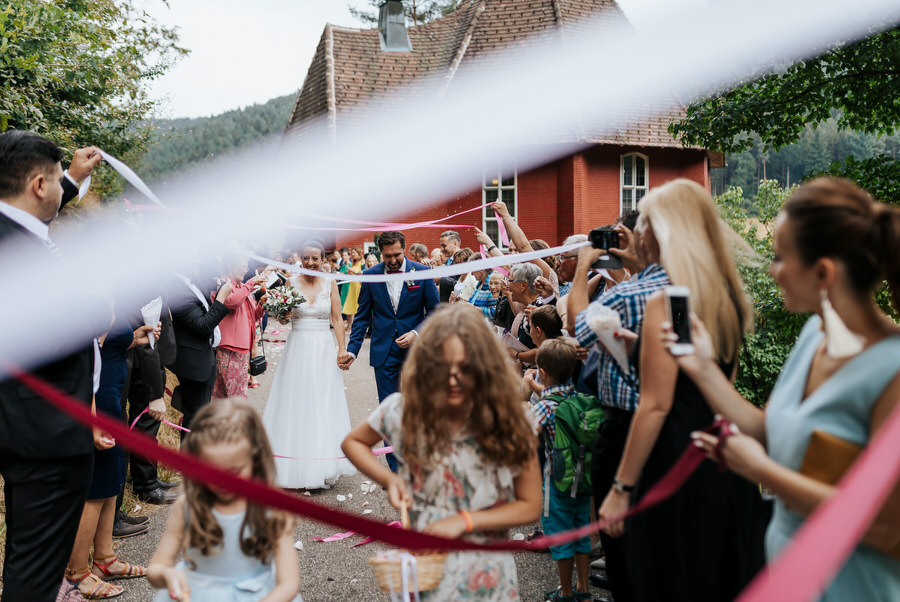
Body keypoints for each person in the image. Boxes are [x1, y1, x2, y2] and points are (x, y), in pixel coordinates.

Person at [680, 177, 900, 600]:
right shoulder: (815, 334)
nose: (771, 269)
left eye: (781, 257)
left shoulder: (891, 371)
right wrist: (704, 370)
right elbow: (774, 429)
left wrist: (760, 471)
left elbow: (888, 527)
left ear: (823, 272)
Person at [596, 179, 765, 602]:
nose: (639, 234)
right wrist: (641, 349)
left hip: (671, 458)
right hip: (719, 453)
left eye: (647, 223)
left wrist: (620, 489)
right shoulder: (726, 295)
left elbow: (655, 405)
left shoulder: (663, 302)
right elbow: (712, 382)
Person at [342, 305, 542, 600]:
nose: (452, 378)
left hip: (484, 573)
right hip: (426, 568)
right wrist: (390, 480)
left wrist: (466, 520)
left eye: (464, 368)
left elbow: (530, 504)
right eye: (441, 366)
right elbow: (353, 443)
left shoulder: (509, 421)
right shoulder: (402, 411)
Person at [0, 130, 106, 601]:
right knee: (35, 568)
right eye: (55, 182)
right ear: (38, 185)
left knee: (34, 558)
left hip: (35, 427)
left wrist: (71, 177)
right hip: (42, 432)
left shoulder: (15, 232)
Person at [566, 212, 662, 602]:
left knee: (620, 533)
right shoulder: (692, 286)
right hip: (671, 426)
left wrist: (584, 264)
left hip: (624, 426)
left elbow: (576, 323)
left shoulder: (628, 294)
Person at [148, 400, 301, 601]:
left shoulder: (269, 509)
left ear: (255, 462)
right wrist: (167, 575)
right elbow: (156, 569)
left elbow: (289, 583)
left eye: (234, 472)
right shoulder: (188, 506)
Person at [65, 313, 157, 599]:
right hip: (98, 398)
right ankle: (77, 572)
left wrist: (132, 339)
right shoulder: (92, 295)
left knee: (112, 478)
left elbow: (106, 344)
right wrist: (92, 420)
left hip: (113, 393)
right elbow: (87, 356)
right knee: (97, 484)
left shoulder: (113, 294)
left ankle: (104, 557)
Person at [340, 230, 440, 471]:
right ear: (380, 253)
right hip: (384, 353)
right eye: (387, 256)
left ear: (404, 248)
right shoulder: (369, 275)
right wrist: (352, 351)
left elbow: (435, 311)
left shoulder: (423, 273)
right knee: (389, 411)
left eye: (396, 254)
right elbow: (362, 317)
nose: (393, 260)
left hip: (417, 354)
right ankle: (397, 470)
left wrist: (416, 334)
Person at [263, 239, 355, 489]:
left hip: (323, 349)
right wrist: (282, 315)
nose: (311, 262)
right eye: (306, 258)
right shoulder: (290, 283)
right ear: (301, 258)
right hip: (298, 347)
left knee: (322, 401)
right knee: (295, 400)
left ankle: (320, 466)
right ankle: (291, 465)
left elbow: (337, 319)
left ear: (323, 260)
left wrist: (342, 349)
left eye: (315, 258)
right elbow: (283, 320)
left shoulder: (331, 283)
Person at [531, 339, 593, 602]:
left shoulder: (545, 406)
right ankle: (583, 589)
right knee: (581, 532)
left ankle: (565, 593)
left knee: (561, 534)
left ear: (542, 373)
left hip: (557, 483)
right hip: (584, 481)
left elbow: (526, 437)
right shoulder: (580, 400)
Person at [168, 270, 232, 436]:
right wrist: (221, 298)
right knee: (195, 420)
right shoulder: (175, 289)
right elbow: (202, 326)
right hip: (193, 365)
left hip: (206, 357)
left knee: (201, 417)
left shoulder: (194, 280)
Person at [212, 259, 268, 399]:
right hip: (228, 348)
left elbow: (252, 316)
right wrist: (249, 285)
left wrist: (262, 306)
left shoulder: (242, 287)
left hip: (242, 349)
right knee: (232, 397)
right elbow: (232, 302)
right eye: (242, 266)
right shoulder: (222, 285)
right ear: (230, 265)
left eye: (246, 267)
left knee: (234, 395)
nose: (245, 270)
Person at [340, 247, 365, 335]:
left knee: (356, 306)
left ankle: (353, 328)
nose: (352, 254)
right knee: (349, 305)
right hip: (351, 285)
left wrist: (352, 270)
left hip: (358, 285)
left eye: (354, 253)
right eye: (352, 253)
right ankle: (350, 326)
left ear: (359, 253)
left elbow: (362, 272)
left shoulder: (362, 262)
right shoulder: (352, 263)